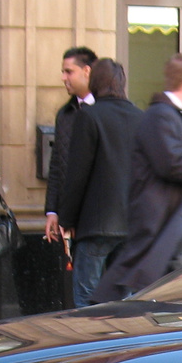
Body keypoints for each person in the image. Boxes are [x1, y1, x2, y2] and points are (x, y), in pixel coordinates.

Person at [93, 54, 182, 302]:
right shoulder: (160, 116)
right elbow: (173, 165)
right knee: (153, 306)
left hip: (174, 233)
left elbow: (178, 167)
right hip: (164, 232)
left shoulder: (170, 116)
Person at [54, 58, 142, 306]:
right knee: (125, 299)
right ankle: (124, 343)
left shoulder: (89, 117)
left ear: (94, 83)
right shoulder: (140, 117)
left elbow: (77, 175)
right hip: (131, 226)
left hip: (95, 225)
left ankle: (94, 344)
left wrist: (67, 219)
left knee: (86, 300)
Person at [43, 45, 96, 245]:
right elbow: (57, 164)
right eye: (63, 72)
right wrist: (52, 210)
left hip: (99, 220)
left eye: (69, 72)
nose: (64, 78)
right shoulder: (65, 115)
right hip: (70, 222)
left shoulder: (106, 112)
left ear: (87, 71)